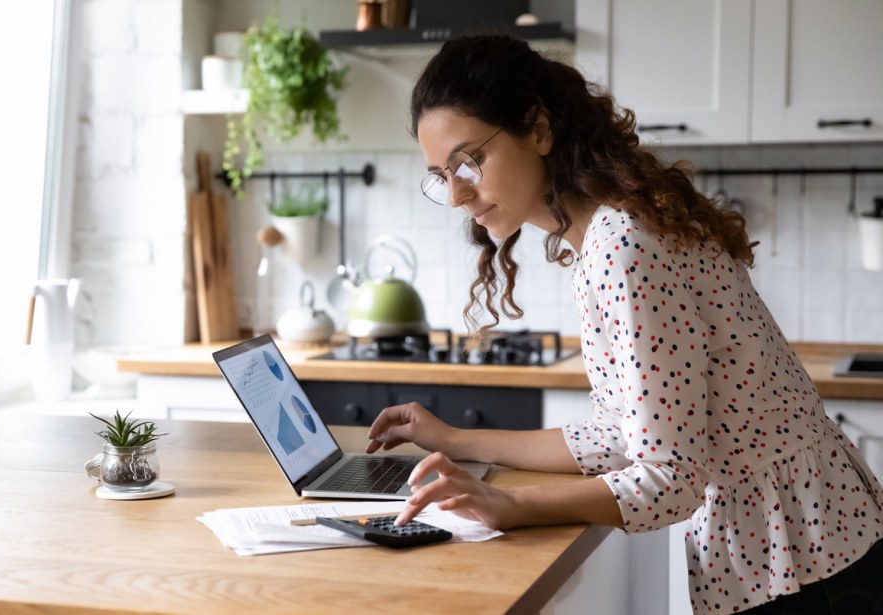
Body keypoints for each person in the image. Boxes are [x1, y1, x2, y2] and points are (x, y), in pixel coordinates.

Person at [365, 34, 883, 615]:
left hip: (807, 563)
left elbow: (672, 478)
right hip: (807, 547)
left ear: (537, 129)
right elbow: (623, 433)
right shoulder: (605, 235)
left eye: (469, 161)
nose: (458, 194)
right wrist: (457, 442)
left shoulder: (623, 247)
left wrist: (509, 505)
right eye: (441, 175)